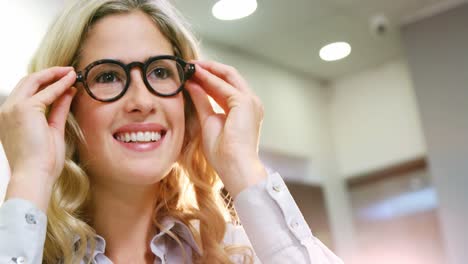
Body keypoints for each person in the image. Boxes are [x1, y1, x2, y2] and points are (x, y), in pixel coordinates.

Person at [0, 0, 343, 263]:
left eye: (160, 72)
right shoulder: (22, 247)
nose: (142, 101)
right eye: (108, 76)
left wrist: (242, 167)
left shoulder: (234, 254)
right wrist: (29, 176)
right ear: (64, 104)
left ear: (187, 99)